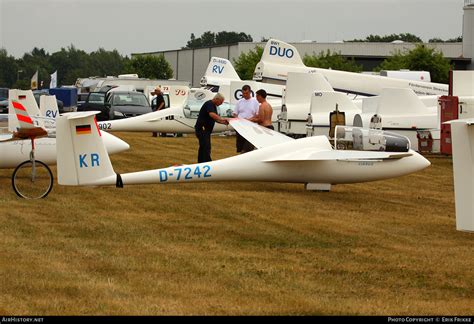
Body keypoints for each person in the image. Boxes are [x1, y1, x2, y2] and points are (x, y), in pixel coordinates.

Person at [195, 93, 229, 163]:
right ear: (217, 99)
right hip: (202, 129)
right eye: (221, 102)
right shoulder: (209, 104)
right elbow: (212, 115)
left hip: (206, 130)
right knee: (206, 147)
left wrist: (223, 122)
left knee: (203, 147)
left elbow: (215, 119)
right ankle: (207, 162)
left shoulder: (213, 106)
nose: (221, 104)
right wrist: (222, 119)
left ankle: (201, 162)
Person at [232, 84, 259, 153]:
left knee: (248, 145)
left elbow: (257, 115)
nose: (245, 95)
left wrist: (248, 120)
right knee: (240, 145)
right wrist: (238, 120)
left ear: (250, 92)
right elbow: (235, 113)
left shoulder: (255, 101)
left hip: (250, 126)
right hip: (240, 126)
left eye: (246, 93)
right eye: (243, 93)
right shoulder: (239, 102)